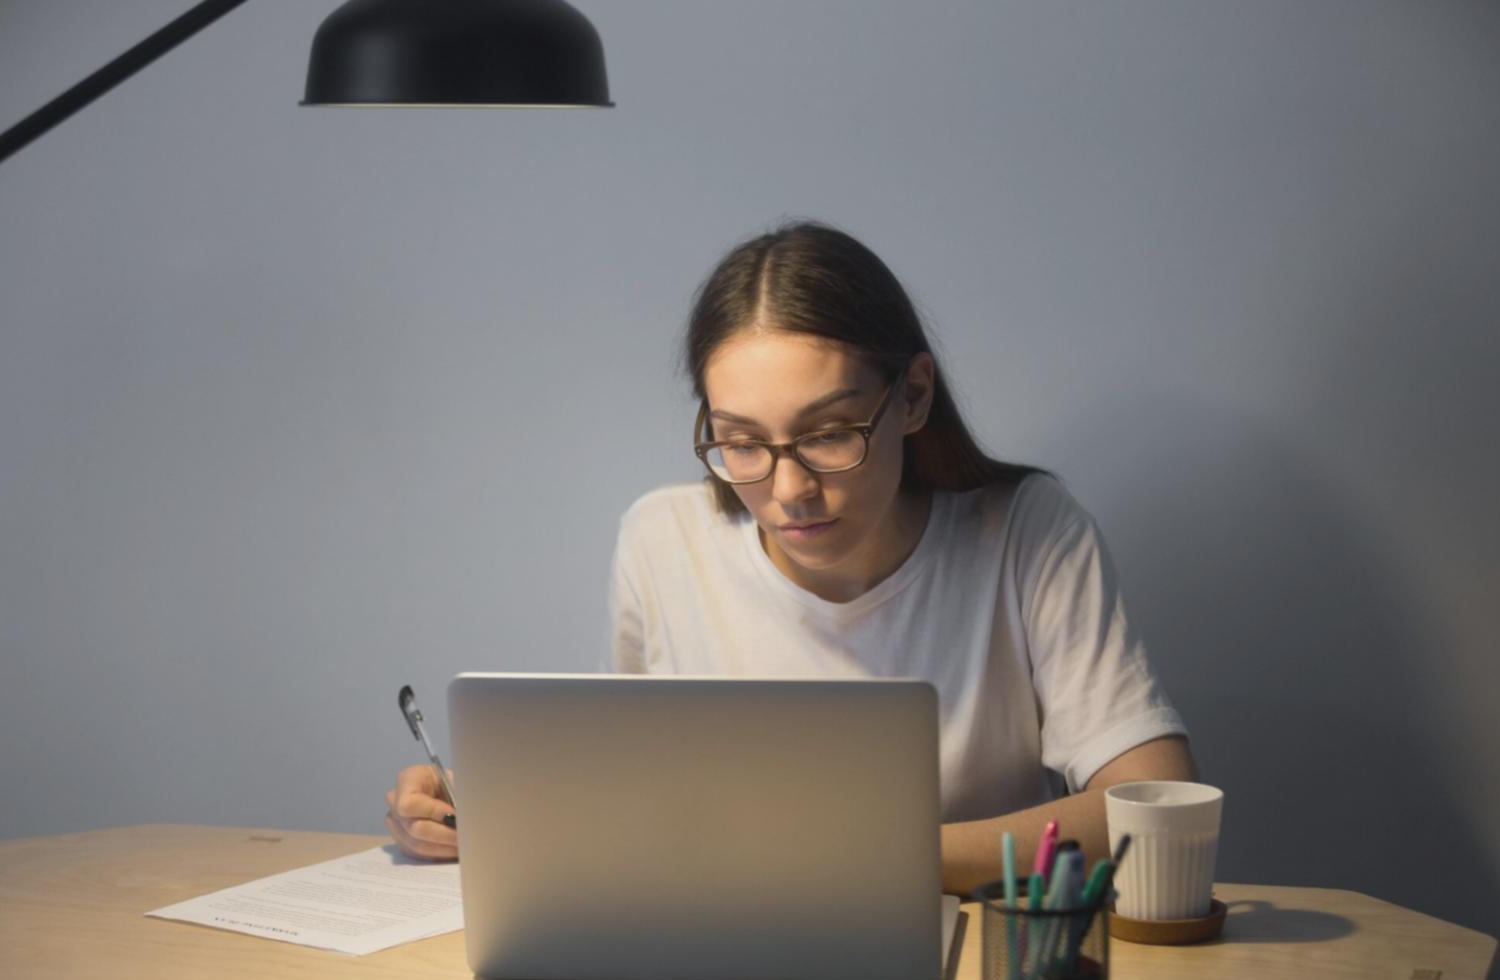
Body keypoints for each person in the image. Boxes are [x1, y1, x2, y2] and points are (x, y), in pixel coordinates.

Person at [387, 220, 1199, 894]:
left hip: (975, 963)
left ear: (912, 394)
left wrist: (865, 861)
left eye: (827, 434)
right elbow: (623, 789)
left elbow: (1147, 806)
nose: (787, 491)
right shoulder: (661, 541)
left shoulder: (1025, 534)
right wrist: (480, 802)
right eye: (739, 442)